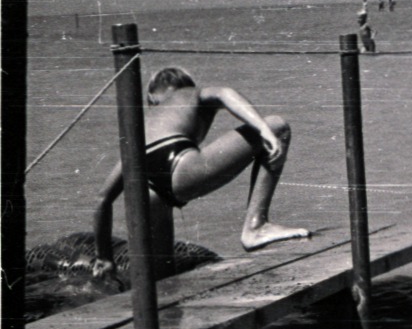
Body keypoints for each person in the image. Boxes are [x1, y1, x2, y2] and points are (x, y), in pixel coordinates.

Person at [91, 67, 309, 278]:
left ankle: (161, 307)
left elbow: (103, 199)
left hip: (147, 187)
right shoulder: (189, 92)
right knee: (277, 126)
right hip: (179, 163)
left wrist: (105, 257)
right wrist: (263, 129)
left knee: (163, 281)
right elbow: (225, 93)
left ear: (152, 97)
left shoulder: (139, 128)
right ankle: (256, 226)